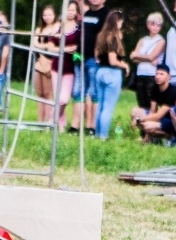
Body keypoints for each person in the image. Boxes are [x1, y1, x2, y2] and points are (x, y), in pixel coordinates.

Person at [69, 0, 109, 136]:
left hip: (94, 59)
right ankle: (75, 126)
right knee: (78, 91)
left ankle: (92, 126)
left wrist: (100, 54)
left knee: (93, 92)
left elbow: (107, 36)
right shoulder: (87, 14)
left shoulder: (106, 14)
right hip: (80, 57)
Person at [93, 10, 130, 140]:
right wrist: (124, 65)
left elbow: (97, 57)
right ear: (117, 21)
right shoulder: (113, 38)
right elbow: (112, 60)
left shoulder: (101, 36)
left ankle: (97, 134)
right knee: (108, 108)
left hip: (100, 72)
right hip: (112, 73)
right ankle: (103, 137)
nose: (121, 25)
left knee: (100, 106)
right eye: (121, 22)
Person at [47, 1, 81, 131]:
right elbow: (50, 47)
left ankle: (51, 120)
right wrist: (65, 49)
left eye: (73, 10)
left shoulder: (78, 29)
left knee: (64, 99)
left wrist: (76, 49)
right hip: (57, 66)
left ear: (76, 12)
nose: (71, 12)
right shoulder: (58, 26)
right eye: (69, 9)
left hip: (70, 68)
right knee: (57, 98)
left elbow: (80, 46)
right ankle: (60, 126)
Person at [129, 64, 176, 142]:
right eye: (157, 74)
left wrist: (138, 119)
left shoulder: (173, 91)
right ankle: (151, 138)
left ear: (169, 77)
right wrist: (140, 119)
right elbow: (152, 112)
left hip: (173, 121)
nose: (158, 76)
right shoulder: (155, 88)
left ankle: (171, 136)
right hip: (162, 118)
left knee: (147, 125)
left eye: (161, 74)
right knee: (135, 111)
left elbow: (158, 115)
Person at [129, 12, 166, 110]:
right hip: (140, 74)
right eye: (153, 24)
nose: (155, 27)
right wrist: (146, 58)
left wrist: (138, 56)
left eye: (158, 25)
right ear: (148, 24)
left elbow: (151, 57)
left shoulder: (161, 41)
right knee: (141, 103)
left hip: (152, 75)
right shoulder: (142, 40)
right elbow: (133, 58)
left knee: (151, 103)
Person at [32, 5, 60, 124]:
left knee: (48, 94)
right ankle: (40, 121)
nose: (47, 17)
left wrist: (41, 46)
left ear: (54, 15)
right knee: (40, 94)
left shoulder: (58, 27)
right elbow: (34, 43)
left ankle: (48, 122)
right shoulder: (39, 29)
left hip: (50, 64)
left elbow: (52, 46)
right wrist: (44, 46)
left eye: (49, 15)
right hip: (39, 63)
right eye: (45, 15)